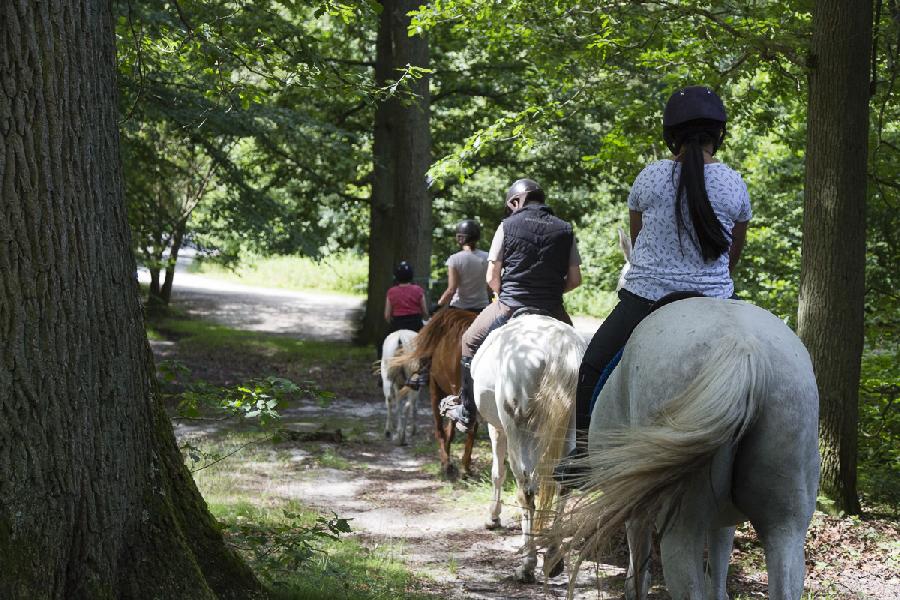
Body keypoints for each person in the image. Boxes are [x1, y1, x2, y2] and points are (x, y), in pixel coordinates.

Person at [557, 85, 752, 485]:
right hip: (715, 300)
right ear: (720, 134)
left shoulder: (650, 177)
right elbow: (733, 254)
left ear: (671, 135)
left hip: (647, 299)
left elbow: (638, 240)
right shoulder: (733, 183)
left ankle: (585, 459)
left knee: (592, 367)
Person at [440, 178, 583, 432]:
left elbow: (492, 277)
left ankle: (466, 411)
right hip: (552, 308)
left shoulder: (507, 226)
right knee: (580, 354)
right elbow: (575, 280)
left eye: (511, 205)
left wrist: (503, 293)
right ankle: (582, 422)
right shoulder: (565, 229)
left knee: (469, 341)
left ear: (517, 201)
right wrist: (548, 291)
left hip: (510, 305)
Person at [436, 219, 490, 313]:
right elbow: (490, 286)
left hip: (459, 308)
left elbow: (451, 289)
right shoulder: (488, 257)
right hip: (482, 308)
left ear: (460, 238)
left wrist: (438, 305)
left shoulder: (455, 259)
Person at [379, 261, 428, 358]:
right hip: (416, 324)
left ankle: (380, 368)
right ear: (411, 276)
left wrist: (391, 322)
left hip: (397, 324)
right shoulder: (418, 290)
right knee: (429, 346)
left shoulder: (391, 292)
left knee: (381, 345)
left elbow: (387, 315)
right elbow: (425, 312)